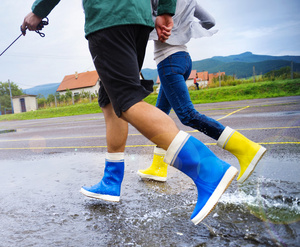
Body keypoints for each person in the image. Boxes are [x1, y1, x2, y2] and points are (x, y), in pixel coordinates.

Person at [22, 0, 238, 225]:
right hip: (138, 19)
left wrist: (38, 11)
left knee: (126, 101)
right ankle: (111, 180)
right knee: (110, 101)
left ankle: (209, 169)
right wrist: (165, 10)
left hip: (109, 17)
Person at [137, 0, 266, 185]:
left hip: (168, 62)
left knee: (187, 115)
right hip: (184, 59)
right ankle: (158, 167)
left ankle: (246, 148)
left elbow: (141, 24)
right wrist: (184, 28)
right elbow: (210, 21)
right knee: (160, 115)